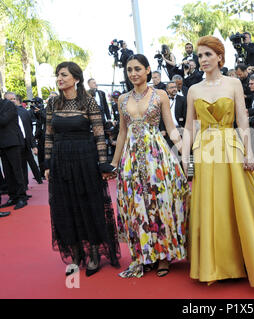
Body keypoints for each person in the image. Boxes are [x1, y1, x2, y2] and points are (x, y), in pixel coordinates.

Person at [181, 35, 254, 288]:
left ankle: (245, 258)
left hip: (230, 148)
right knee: (211, 206)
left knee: (237, 203)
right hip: (204, 151)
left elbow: (243, 121)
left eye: (208, 54)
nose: (203, 60)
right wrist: (185, 158)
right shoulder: (193, 90)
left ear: (220, 56)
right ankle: (214, 265)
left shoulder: (233, 83)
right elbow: (189, 127)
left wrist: (249, 153)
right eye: (200, 56)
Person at [110, 54, 190, 279]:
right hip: (131, 160)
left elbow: (171, 127)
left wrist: (185, 153)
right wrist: (114, 164)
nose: (133, 73)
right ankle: (146, 255)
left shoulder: (160, 94)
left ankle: (165, 256)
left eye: (137, 69)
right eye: (129, 70)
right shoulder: (122, 99)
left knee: (160, 203)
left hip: (157, 157)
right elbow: (122, 132)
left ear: (147, 70)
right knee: (136, 207)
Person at [44, 61, 121, 276]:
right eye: (58, 75)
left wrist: (102, 163)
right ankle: (77, 254)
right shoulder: (52, 104)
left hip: (85, 160)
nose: (59, 79)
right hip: (60, 160)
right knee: (65, 207)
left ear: (76, 79)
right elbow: (48, 135)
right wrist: (47, 163)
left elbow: (99, 135)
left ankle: (95, 253)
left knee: (89, 205)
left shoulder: (89, 103)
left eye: (63, 75)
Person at [0, 92, 27, 210]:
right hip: (2, 144)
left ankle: (22, 197)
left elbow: (4, 121)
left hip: (13, 142)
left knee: (17, 171)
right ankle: (13, 196)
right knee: (8, 172)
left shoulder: (8, 105)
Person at [159, 81, 187, 148]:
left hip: (180, 129)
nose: (174, 89)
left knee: (181, 151)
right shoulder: (162, 100)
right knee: (170, 151)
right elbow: (160, 116)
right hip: (167, 131)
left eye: (175, 87)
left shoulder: (183, 99)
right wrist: (162, 129)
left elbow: (186, 114)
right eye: (171, 87)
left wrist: (185, 128)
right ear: (167, 90)